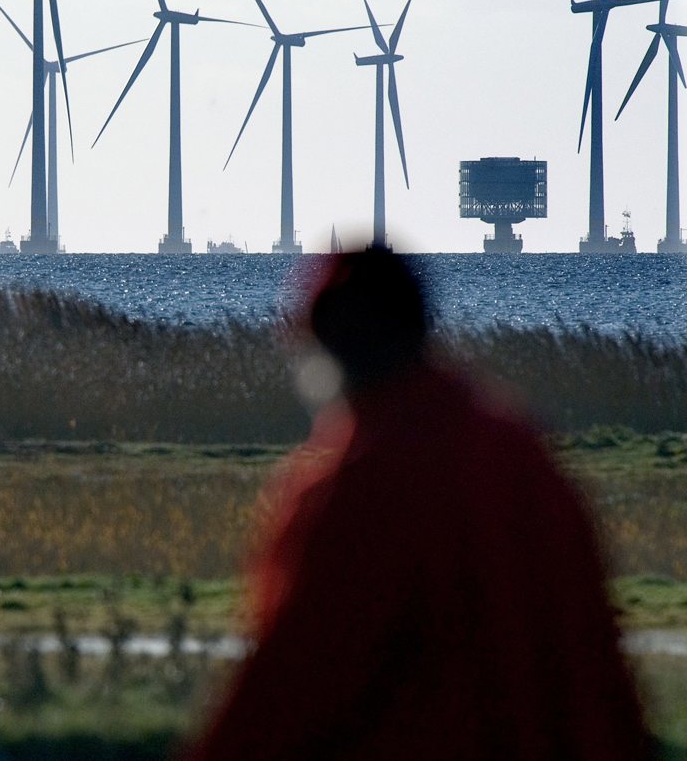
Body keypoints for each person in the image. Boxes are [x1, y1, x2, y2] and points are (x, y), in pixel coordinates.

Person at [182, 247, 649, 761]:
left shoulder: (352, 483)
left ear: (328, 344)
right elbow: (599, 662)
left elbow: (286, 684)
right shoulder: (523, 454)